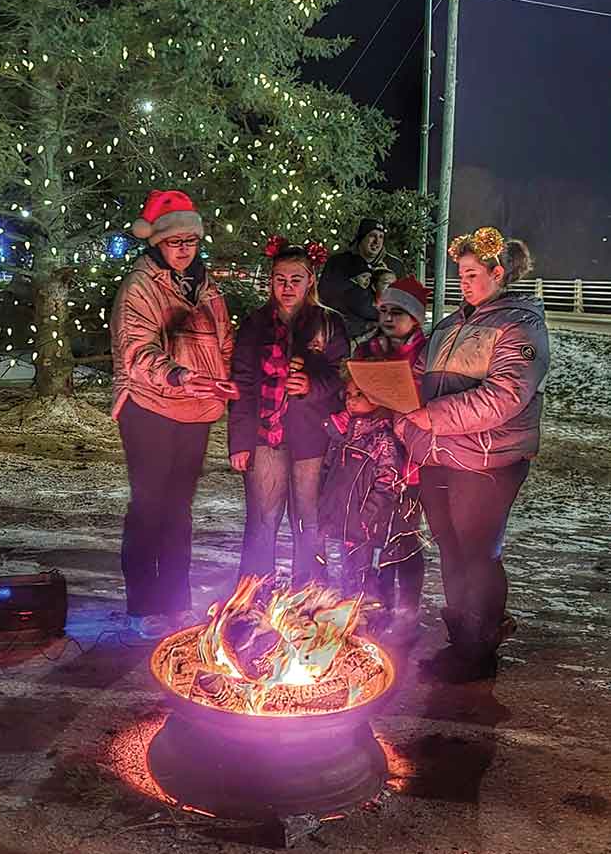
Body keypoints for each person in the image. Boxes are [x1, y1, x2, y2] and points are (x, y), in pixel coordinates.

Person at [395, 227, 550, 681]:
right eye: (459, 273)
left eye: (471, 273)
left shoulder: (519, 324)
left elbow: (505, 395)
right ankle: (459, 641)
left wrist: (431, 416)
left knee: (477, 553)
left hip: (487, 461)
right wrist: (404, 411)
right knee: (450, 548)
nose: (462, 281)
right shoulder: (450, 325)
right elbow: (418, 377)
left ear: (498, 273)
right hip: (439, 456)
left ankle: (479, 650)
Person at [110, 190, 234, 639]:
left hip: (195, 411)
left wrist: (224, 379)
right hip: (151, 408)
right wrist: (177, 375)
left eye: (190, 241)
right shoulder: (140, 288)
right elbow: (135, 350)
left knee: (179, 510)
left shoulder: (208, 288)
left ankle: (176, 601)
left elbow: (222, 343)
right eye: (174, 242)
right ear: (157, 244)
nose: (184, 249)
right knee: (150, 507)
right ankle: (143, 604)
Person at [228, 237, 349, 588]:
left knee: (309, 521)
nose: (287, 287)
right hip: (265, 437)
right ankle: (252, 595)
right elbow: (243, 384)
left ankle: (309, 594)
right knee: (262, 521)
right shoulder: (255, 325)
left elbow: (341, 375)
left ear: (310, 279)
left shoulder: (328, 324)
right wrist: (239, 441)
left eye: (295, 279)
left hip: (311, 437)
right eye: (280, 279)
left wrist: (312, 385)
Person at [353, 275, 431, 633]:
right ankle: (376, 603)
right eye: (384, 310)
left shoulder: (427, 355)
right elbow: (350, 392)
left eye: (397, 312)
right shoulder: (367, 351)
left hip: (411, 461)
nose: (388, 318)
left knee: (404, 533)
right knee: (369, 530)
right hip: (369, 459)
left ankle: (408, 609)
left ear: (415, 318)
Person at [319, 375, 411, 631]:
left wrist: (366, 517)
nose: (351, 400)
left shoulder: (383, 440)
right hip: (340, 521)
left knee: (364, 576)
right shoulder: (342, 434)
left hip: (364, 526)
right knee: (343, 574)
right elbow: (328, 472)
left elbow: (388, 483)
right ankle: (346, 625)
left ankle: (370, 630)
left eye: (359, 394)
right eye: (348, 394)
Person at [317, 218, 403, 343]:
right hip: (345, 336)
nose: (377, 242)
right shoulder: (339, 263)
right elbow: (325, 297)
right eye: (372, 236)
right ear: (362, 238)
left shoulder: (394, 266)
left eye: (381, 237)